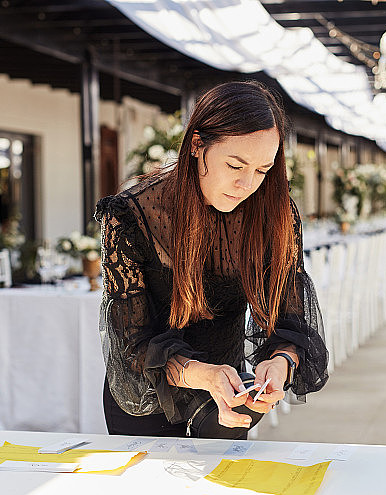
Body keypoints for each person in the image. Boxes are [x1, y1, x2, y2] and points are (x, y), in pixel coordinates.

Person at [94, 81, 329, 438]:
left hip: (226, 396)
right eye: (235, 165)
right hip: (148, 398)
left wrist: (281, 362)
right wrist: (202, 375)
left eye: (263, 170)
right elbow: (133, 343)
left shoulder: (273, 213)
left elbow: (291, 317)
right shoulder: (131, 216)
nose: (247, 184)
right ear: (196, 145)